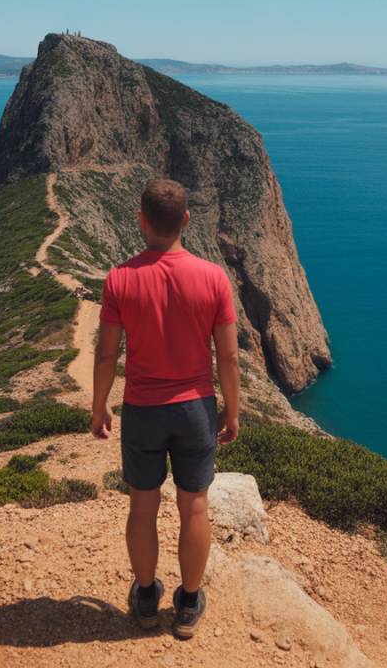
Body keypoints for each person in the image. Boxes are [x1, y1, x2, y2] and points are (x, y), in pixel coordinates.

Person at [91, 177, 240, 640]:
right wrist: (232, 411)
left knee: (143, 505)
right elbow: (229, 357)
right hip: (196, 407)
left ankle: (148, 598)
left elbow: (105, 355)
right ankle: (190, 603)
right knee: (194, 505)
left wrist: (98, 408)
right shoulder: (213, 278)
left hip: (142, 408)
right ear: (187, 222)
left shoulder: (120, 278)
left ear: (141, 221)